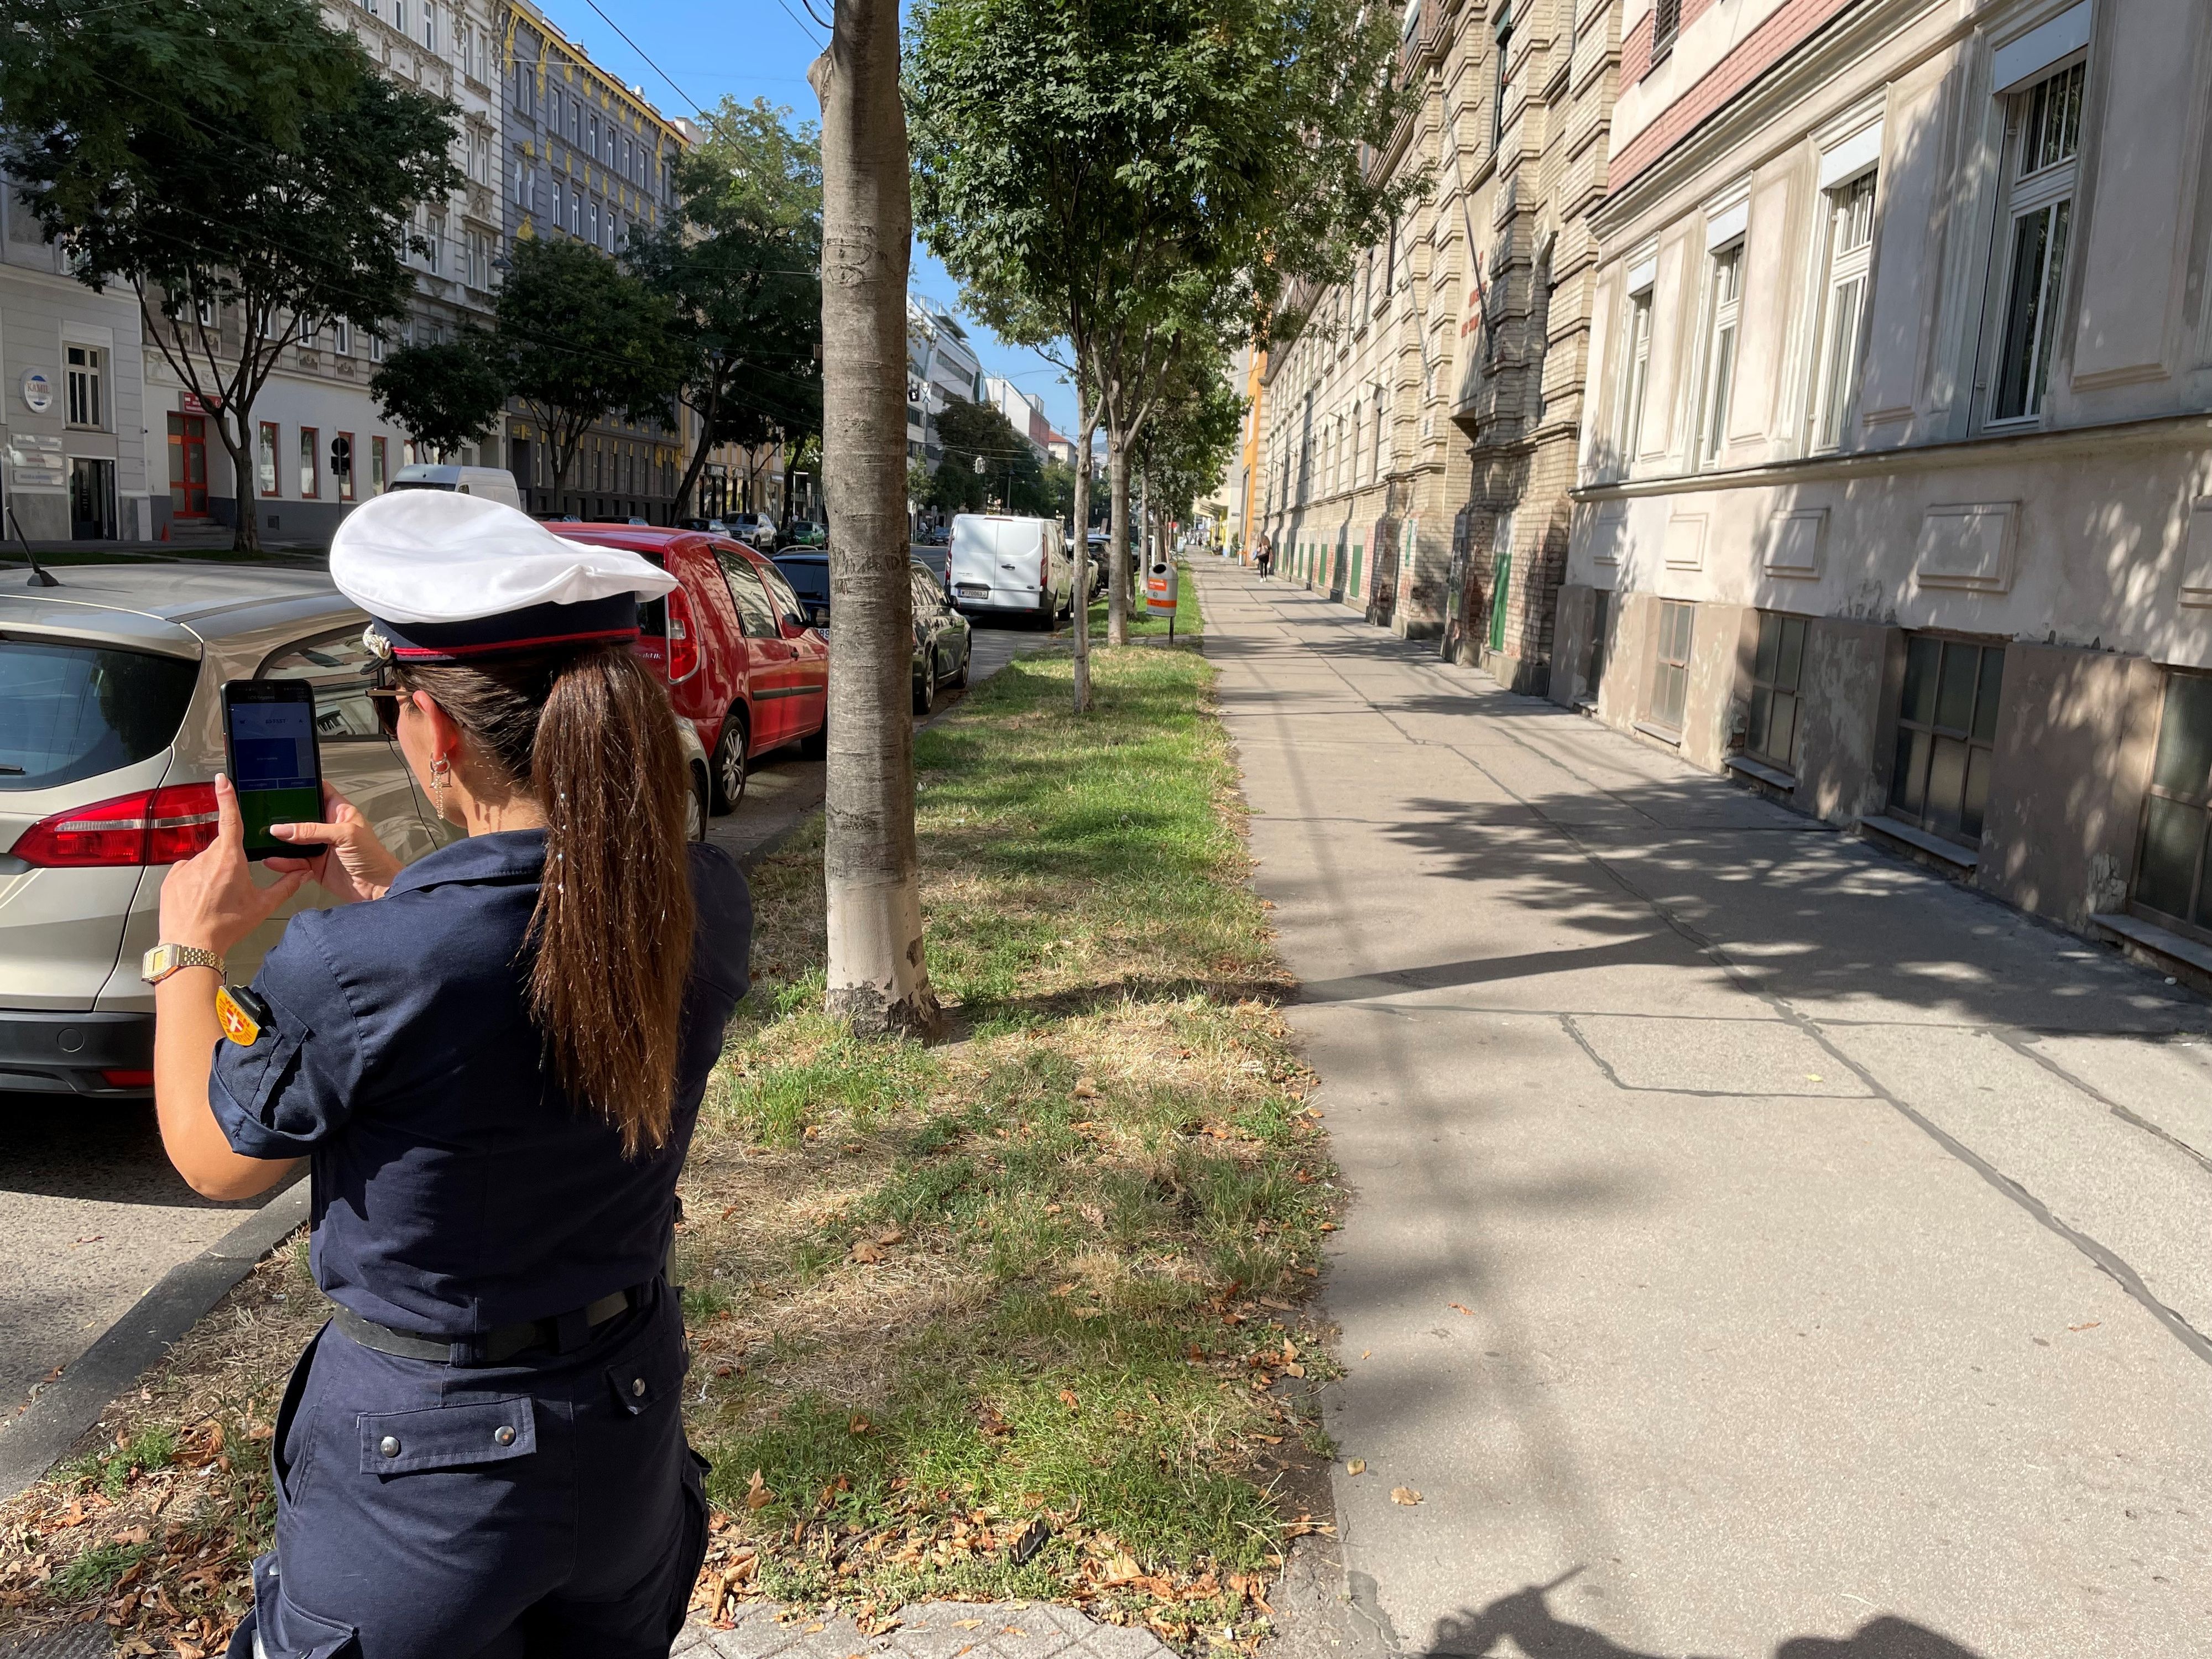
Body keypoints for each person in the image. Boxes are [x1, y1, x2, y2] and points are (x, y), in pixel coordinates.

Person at [147, 490, 753, 1658]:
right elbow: (528, 954)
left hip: (421, 1482)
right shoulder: (702, 900)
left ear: (429, 730)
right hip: (623, 1423)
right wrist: (403, 905)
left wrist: (188, 949)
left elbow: (216, 1165)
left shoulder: (368, 966)